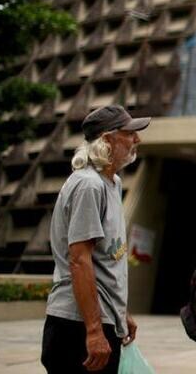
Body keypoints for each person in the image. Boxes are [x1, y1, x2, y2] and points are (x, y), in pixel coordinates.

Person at [42, 105, 150, 373]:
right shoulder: (89, 185)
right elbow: (79, 260)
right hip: (77, 326)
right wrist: (93, 331)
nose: (137, 139)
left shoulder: (110, 183)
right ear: (107, 139)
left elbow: (105, 260)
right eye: (130, 133)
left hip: (101, 320)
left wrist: (119, 313)